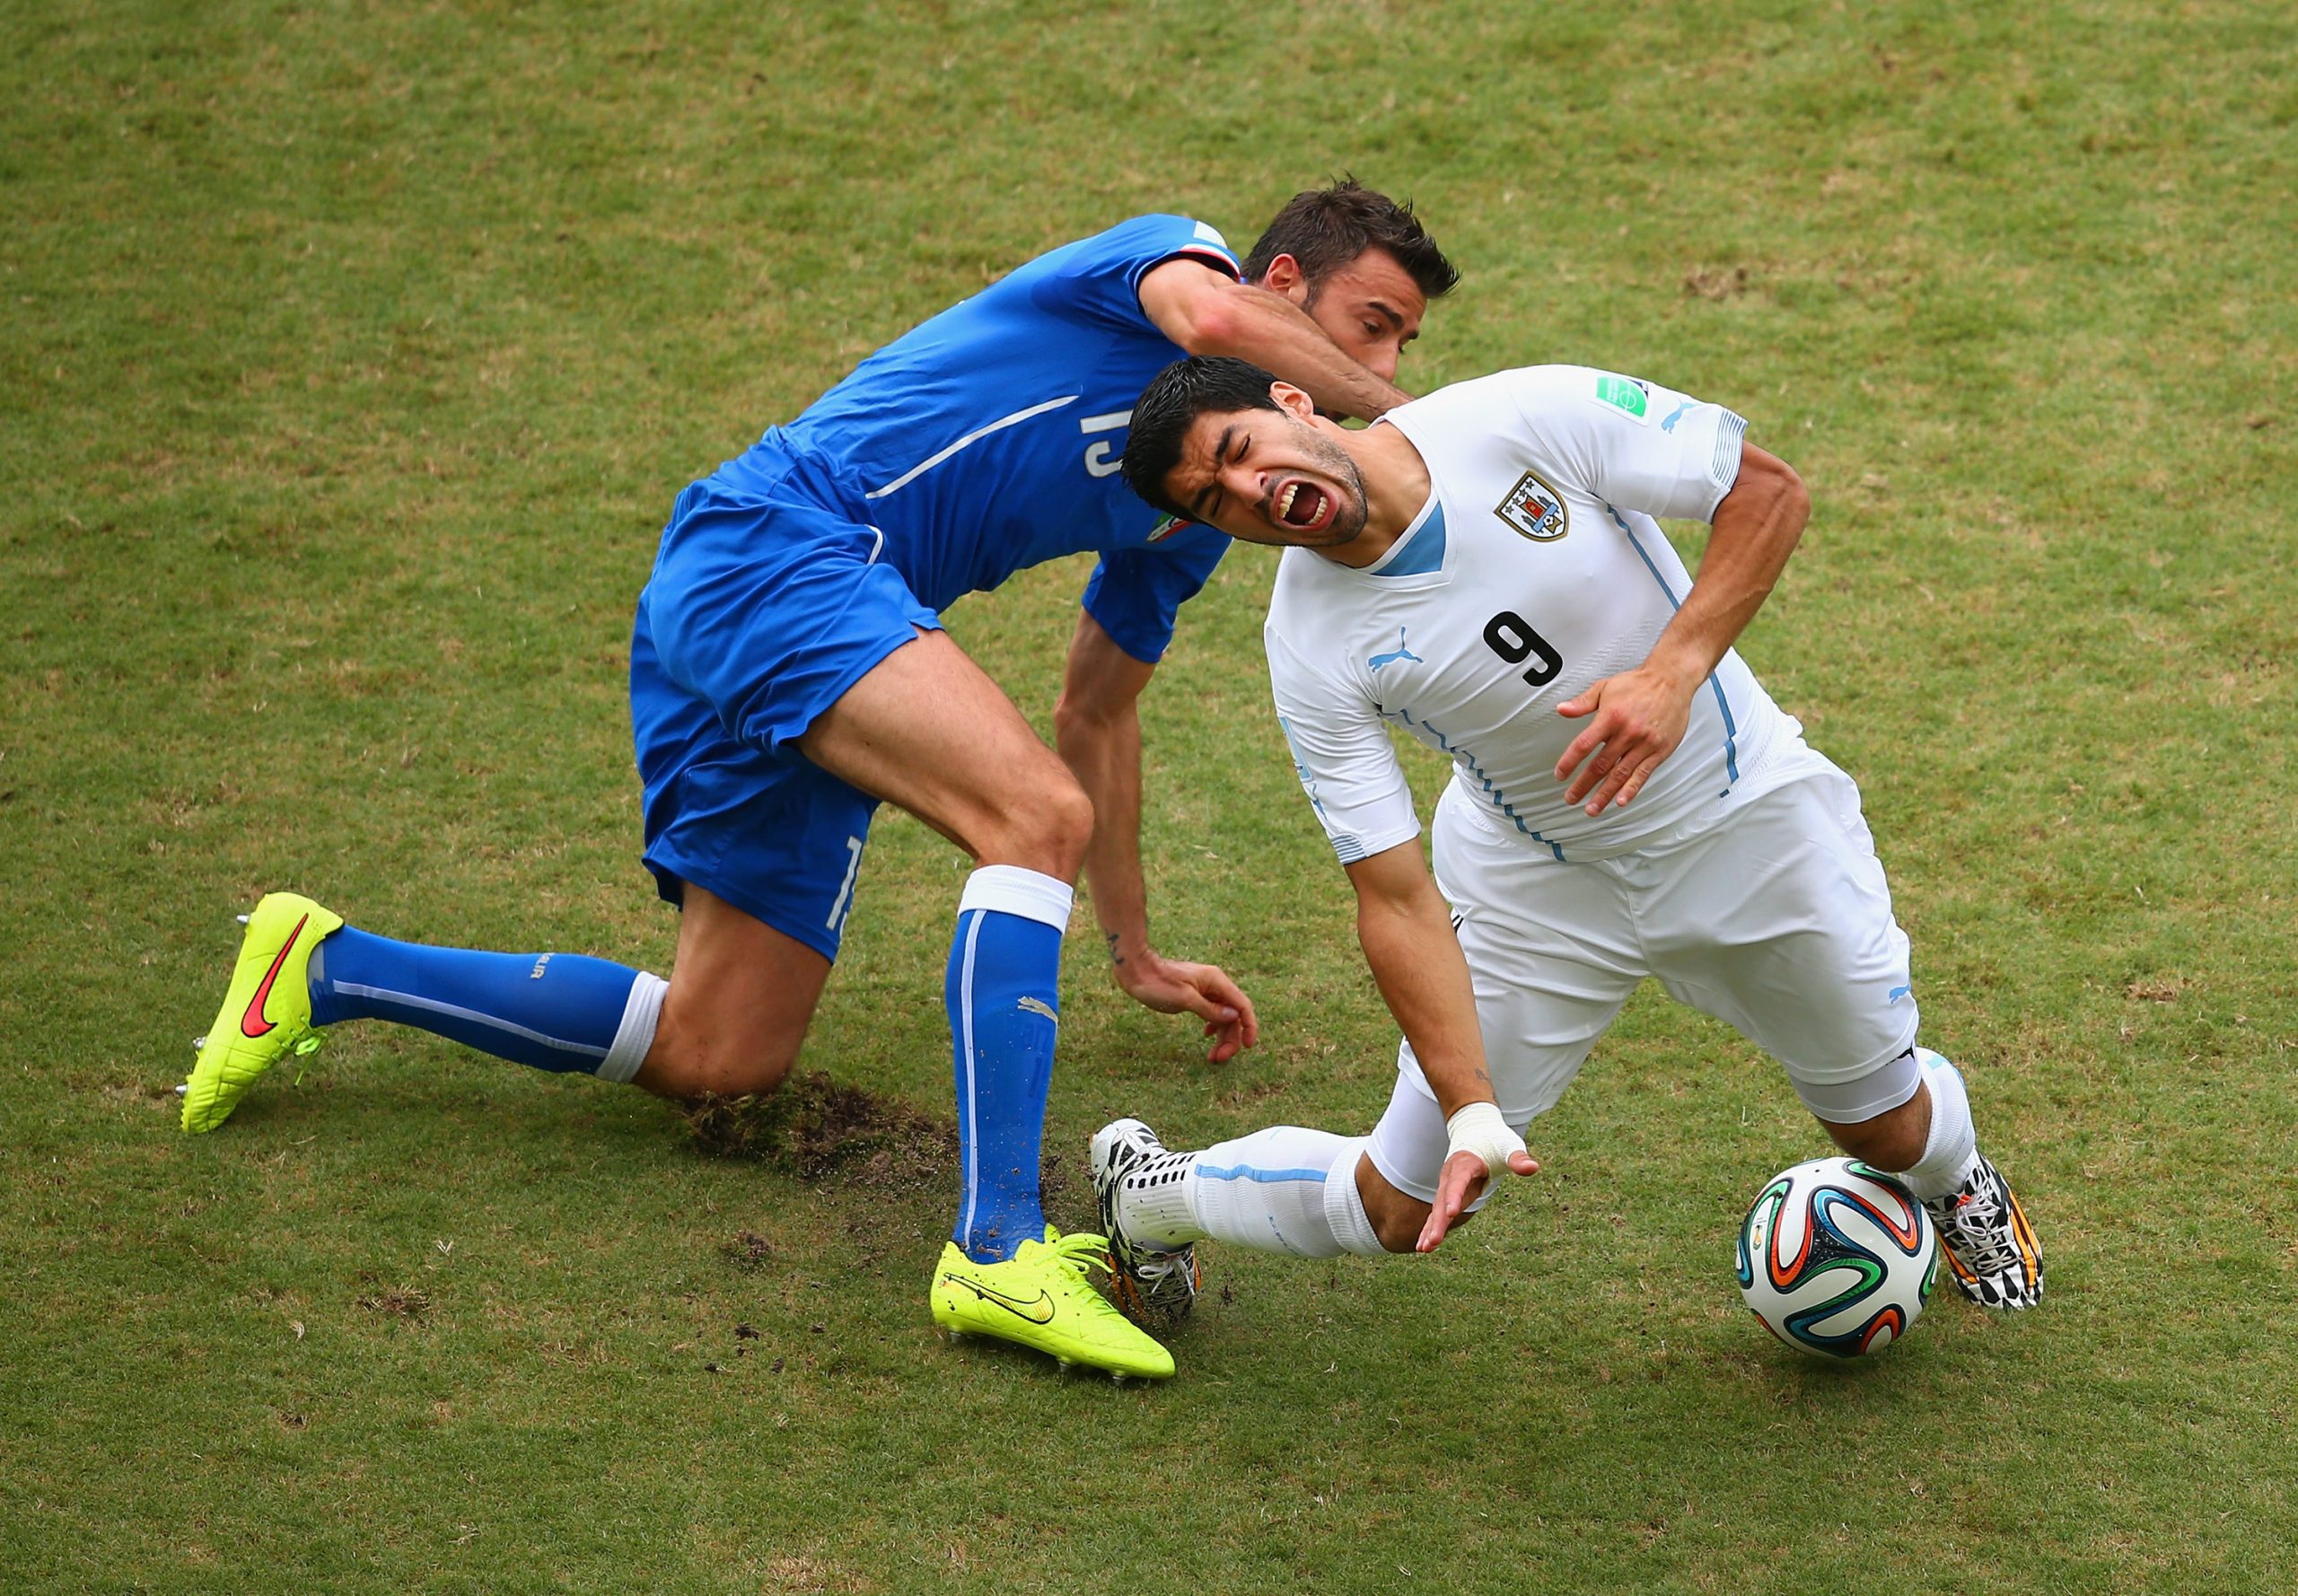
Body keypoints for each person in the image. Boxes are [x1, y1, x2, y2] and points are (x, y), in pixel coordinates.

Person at [185, 187, 1462, 1381]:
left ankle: (329, 967)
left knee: (719, 1051)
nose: (1385, 368)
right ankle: (999, 1246)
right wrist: (1402, 425)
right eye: (1375, 327)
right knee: (1029, 817)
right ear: (1288, 281)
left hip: (832, 622)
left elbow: (1099, 705)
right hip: (781, 545)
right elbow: (1223, 320)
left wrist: (1130, 945)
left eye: (1404, 350)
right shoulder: (1167, 266)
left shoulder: (1196, 508)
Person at [1091, 355, 2042, 1334]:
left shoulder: (1516, 418)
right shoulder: (1309, 642)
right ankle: (1150, 1196)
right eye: (1216, 499)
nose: (1250, 490)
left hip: (1746, 821)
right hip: (1534, 889)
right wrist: (1468, 1110)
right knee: (1400, 1203)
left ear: (1293, 402)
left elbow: (1764, 490)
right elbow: (1393, 895)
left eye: (1240, 450)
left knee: (1887, 1125)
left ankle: (1956, 1182)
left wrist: (1670, 673)